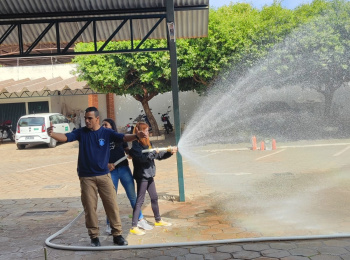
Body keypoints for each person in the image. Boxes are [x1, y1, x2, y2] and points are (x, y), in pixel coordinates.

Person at [47, 107, 146, 247]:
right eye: (85, 118)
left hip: (104, 176)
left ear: (97, 119)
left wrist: (136, 136)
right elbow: (66, 137)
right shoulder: (81, 132)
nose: (87, 121)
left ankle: (117, 234)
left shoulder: (106, 132)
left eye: (89, 118)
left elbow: (123, 137)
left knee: (111, 205)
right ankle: (94, 237)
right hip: (86, 178)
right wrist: (53, 134)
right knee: (90, 208)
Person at [101, 118, 153, 234]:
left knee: (133, 196)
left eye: (106, 125)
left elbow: (126, 149)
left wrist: (131, 153)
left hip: (123, 168)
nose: (103, 127)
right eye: (102, 125)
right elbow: (97, 156)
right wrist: (106, 165)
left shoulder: (119, 137)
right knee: (111, 198)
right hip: (111, 171)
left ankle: (140, 219)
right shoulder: (101, 140)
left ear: (112, 126)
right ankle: (110, 224)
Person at [128, 121, 177, 235]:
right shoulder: (135, 146)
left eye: (147, 130)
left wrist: (169, 152)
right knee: (140, 200)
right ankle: (134, 226)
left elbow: (158, 156)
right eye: (144, 130)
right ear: (139, 132)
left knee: (154, 197)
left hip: (149, 175)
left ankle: (158, 220)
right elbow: (142, 159)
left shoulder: (148, 144)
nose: (147, 132)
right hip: (142, 176)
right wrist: (152, 153)